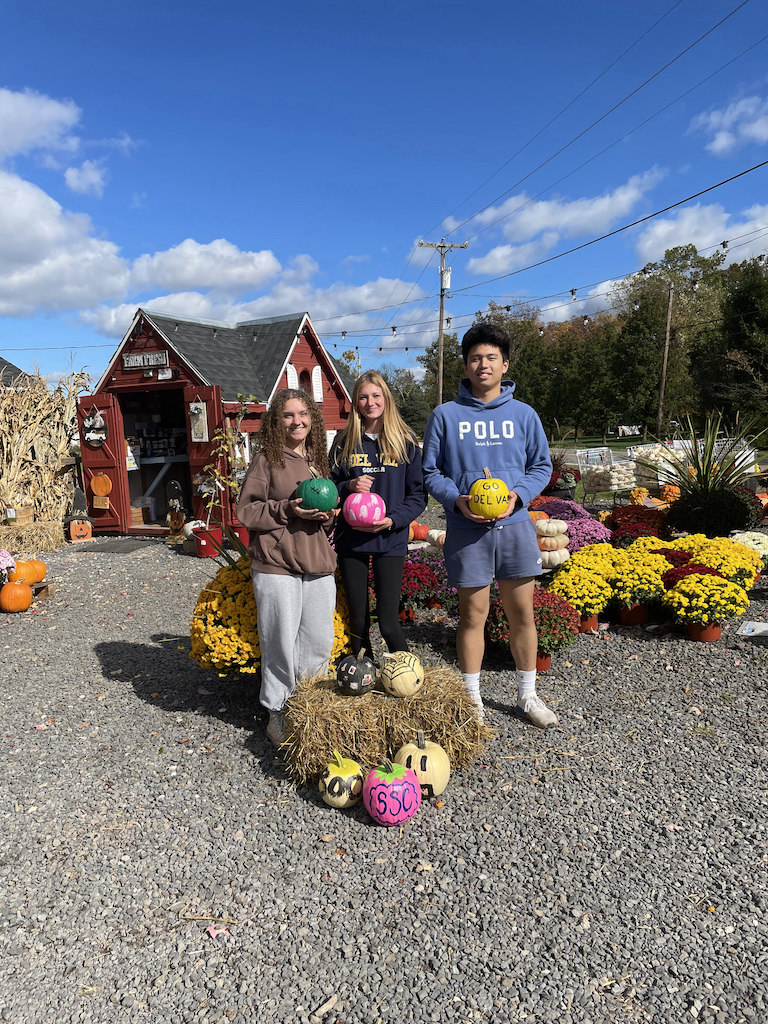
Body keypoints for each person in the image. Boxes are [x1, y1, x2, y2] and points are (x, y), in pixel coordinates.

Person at [421, 323, 555, 727]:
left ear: (505, 364)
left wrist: (518, 495)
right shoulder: (445, 415)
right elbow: (430, 472)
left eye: (491, 357)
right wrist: (456, 500)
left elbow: (541, 466)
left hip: (514, 526)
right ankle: (472, 700)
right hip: (467, 530)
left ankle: (527, 696)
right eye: (476, 358)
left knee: (522, 614)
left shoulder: (524, 414)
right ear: (465, 364)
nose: (483, 364)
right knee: (472, 614)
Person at [236, 388, 338, 746]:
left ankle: (311, 710)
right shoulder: (267, 460)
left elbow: (320, 520)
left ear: (313, 417)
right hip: (276, 563)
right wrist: (286, 509)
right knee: (280, 640)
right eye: (288, 415)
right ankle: (277, 714)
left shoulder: (316, 460)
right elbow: (246, 511)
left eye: (303, 414)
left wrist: (328, 517)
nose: (297, 421)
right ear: (276, 423)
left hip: (317, 563)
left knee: (318, 640)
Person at [330, 370, 427, 661]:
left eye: (375, 395)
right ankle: (363, 674)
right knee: (358, 620)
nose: (370, 402)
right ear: (355, 403)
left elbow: (418, 493)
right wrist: (348, 485)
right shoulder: (344, 440)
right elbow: (329, 489)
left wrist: (394, 519)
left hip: (390, 539)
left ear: (386, 399)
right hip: (352, 541)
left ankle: (408, 677)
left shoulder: (405, 441)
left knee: (388, 622)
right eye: (363, 397)